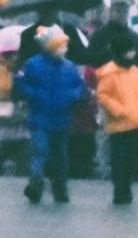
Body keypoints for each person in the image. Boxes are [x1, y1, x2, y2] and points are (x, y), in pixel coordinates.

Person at [15, 25, 88, 203]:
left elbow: (80, 85)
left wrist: (74, 95)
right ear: (51, 46)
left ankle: (60, 188)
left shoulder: (69, 67)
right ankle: (36, 183)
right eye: (61, 45)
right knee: (40, 152)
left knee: (60, 156)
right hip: (40, 118)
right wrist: (35, 95)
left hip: (62, 120)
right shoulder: (33, 64)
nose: (65, 49)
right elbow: (20, 83)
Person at [95, 45, 138, 205]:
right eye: (130, 49)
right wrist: (119, 111)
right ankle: (119, 191)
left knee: (130, 159)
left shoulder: (134, 71)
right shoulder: (110, 72)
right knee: (119, 158)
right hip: (119, 124)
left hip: (134, 121)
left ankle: (126, 188)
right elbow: (103, 95)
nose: (133, 52)